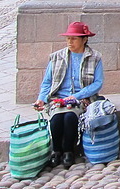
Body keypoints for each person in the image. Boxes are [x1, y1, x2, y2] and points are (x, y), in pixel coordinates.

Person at [33, 22, 104, 168]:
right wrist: (41, 99)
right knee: (56, 119)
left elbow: (97, 83)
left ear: (84, 40)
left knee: (70, 117)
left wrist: (77, 96)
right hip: (59, 99)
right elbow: (47, 82)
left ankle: (68, 151)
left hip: (81, 99)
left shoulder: (95, 57)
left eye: (74, 39)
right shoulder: (57, 57)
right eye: (68, 39)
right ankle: (56, 151)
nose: (70, 42)